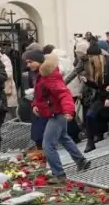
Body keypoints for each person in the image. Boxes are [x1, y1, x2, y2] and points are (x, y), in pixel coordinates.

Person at [25, 48, 90, 184]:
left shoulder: (48, 74)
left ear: (39, 60)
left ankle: (59, 174)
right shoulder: (40, 73)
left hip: (57, 113)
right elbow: (40, 96)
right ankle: (81, 161)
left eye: (30, 62)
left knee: (47, 145)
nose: (28, 65)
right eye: (27, 62)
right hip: (53, 111)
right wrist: (35, 105)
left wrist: (68, 111)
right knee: (64, 137)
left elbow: (63, 93)